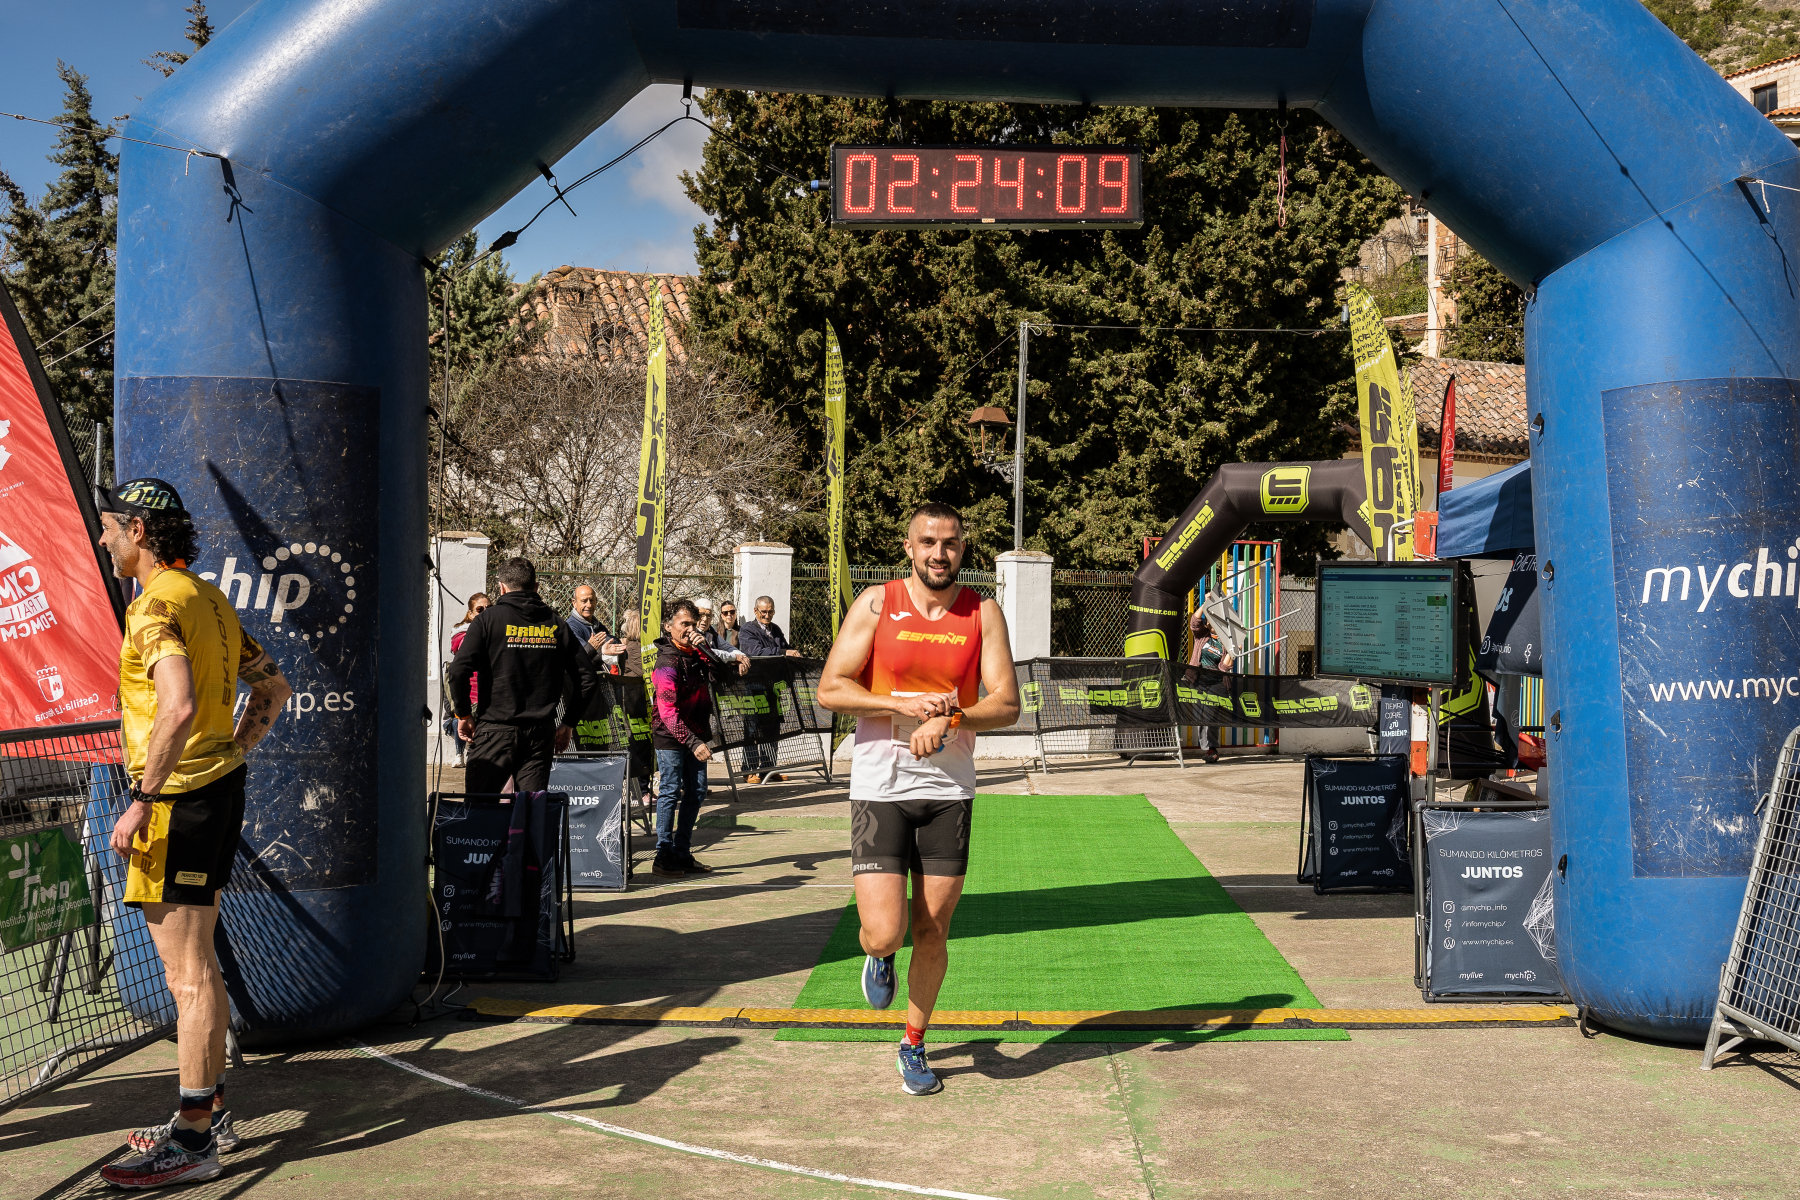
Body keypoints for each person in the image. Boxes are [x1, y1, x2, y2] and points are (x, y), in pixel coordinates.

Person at [91, 478, 293, 1188]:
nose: (102, 538)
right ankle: (210, 1112)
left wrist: (142, 799)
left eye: (109, 526)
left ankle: (193, 1138)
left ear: (139, 530)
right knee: (198, 966)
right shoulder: (208, 599)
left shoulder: (153, 607)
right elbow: (274, 688)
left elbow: (176, 706)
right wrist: (229, 752)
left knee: (188, 975)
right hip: (214, 790)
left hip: (176, 802)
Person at [817, 502, 1019, 1096]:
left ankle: (913, 1043)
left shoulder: (982, 612)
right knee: (885, 932)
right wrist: (899, 704)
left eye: (949, 543)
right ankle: (879, 955)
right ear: (909, 547)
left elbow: (1007, 703)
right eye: (927, 542)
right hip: (879, 787)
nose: (939, 553)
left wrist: (952, 717)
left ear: (962, 548)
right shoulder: (877, 604)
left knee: (932, 930)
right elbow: (831, 688)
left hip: (947, 790)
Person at [447, 557, 598, 795]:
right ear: (536, 587)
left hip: (495, 729)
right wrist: (568, 723)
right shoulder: (556, 624)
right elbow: (587, 678)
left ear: (502, 587)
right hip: (539, 734)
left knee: (480, 808)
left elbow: (457, 671)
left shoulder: (487, 620)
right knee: (530, 809)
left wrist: (463, 714)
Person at [649, 599, 749, 877]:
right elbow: (668, 712)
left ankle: (682, 852)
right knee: (670, 790)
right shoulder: (666, 662)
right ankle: (663, 854)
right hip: (671, 736)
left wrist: (705, 649)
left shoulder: (697, 652)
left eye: (693, 624)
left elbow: (723, 678)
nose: (690, 629)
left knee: (696, 791)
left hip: (697, 733)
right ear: (668, 627)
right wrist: (693, 742)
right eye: (684, 624)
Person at [738, 595, 802, 784]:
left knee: (772, 727)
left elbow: (785, 649)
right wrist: (783, 652)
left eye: (770, 611)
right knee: (752, 727)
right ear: (755, 611)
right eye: (764, 612)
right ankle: (749, 770)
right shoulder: (747, 630)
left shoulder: (776, 629)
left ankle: (768, 768)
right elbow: (755, 652)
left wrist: (793, 654)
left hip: (773, 687)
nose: (767, 615)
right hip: (754, 685)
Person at [1183, 612, 1236, 764]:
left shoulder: (1224, 643)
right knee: (1200, 716)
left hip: (1216, 683)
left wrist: (1232, 651)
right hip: (1199, 681)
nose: (1214, 625)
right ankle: (1206, 747)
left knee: (1212, 717)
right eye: (1211, 621)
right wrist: (1206, 604)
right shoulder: (1202, 636)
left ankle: (1212, 749)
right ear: (1208, 624)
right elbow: (1194, 621)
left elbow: (1224, 667)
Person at [444, 592, 490, 768]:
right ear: (470, 614)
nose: (485, 612)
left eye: (489, 608)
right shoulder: (464, 635)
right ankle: (462, 756)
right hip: (470, 695)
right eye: (480, 609)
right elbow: (460, 668)